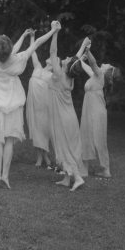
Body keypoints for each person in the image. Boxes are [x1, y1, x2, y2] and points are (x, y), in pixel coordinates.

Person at [0, 13, 58, 189]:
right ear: (10, 49)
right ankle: (6, 177)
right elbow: (38, 42)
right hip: (13, 105)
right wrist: (53, 30)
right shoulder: (19, 59)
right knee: (9, 141)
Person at [48, 28, 89, 191]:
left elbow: (53, 51)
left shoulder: (59, 75)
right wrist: (84, 45)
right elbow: (75, 60)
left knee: (65, 148)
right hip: (69, 117)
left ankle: (77, 178)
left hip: (62, 119)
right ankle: (67, 178)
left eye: (65, 60)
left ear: (65, 67)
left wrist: (55, 32)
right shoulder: (70, 75)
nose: (64, 58)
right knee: (68, 147)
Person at [79, 43, 115, 178]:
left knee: (99, 138)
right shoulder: (95, 75)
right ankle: (85, 168)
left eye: (106, 64)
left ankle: (106, 169)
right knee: (86, 136)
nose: (104, 63)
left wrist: (88, 51)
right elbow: (88, 67)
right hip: (89, 110)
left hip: (97, 112)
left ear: (105, 71)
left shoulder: (99, 75)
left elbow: (93, 63)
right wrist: (81, 60)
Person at [26, 48, 53, 169]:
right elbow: (33, 53)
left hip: (44, 105)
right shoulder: (38, 67)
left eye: (55, 58)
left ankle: (45, 155)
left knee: (44, 130)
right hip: (33, 105)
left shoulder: (53, 75)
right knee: (36, 129)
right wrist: (32, 38)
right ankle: (39, 156)